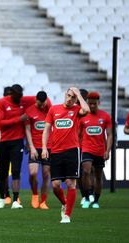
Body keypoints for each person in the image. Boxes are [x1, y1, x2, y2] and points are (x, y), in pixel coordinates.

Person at [42, 87, 90, 223]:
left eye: (72, 97)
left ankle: (67, 215)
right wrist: (45, 148)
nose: (69, 99)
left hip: (72, 150)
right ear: (65, 94)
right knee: (56, 185)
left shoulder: (76, 110)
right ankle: (64, 203)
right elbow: (46, 130)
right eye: (68, 95)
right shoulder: (54, 110)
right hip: (56, 151)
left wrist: (79, 95)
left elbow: (86, 110)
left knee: (71, 183)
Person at [0, 84, 27, 209]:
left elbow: (38, 98)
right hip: (3, 141)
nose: (20, 99)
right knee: (3, 172)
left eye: (21, 96)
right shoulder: (2, 103)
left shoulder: (23, 101)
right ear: (12, 94)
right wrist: (18, 119)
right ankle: (2, 198)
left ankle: (15, 199)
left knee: (16, 171)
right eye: (17, 96)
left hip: (17, 141)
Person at [79, 92, 112, 209]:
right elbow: (77, 134)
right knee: (86, 171)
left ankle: (96, 200)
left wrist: (107, 150)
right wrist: (79, 147)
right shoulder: (82, 116)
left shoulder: (105, 116)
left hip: (100, 150)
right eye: (90, 103)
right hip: (87, 149)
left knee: (98, 176)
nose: (92, 106)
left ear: (99, 102)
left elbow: (109, 134)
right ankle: (87, 198)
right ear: (87, 103)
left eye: (94, 104)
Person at [25, 91, 52, 209]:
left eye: (43, 103)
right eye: (39, 104)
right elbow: (27, 130)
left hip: (48, 146)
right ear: (36, 100)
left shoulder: (50, 109)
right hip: (35, 147)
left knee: (46, 174)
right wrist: (31, 147)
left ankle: (43, 201)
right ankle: (35, 194)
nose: (42, 106)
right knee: (33, 173)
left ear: (46, 100)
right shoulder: (30, 111)